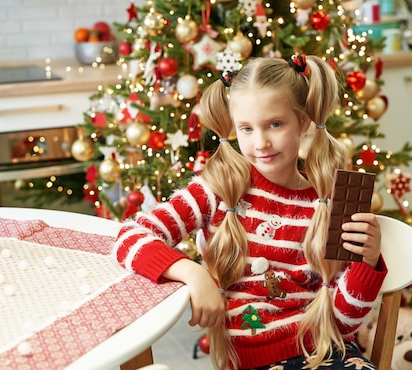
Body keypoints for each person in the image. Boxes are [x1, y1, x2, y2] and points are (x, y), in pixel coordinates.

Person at [113, 55, 387, 370]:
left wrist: (366, 262)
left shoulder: (326, 204)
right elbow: (129, 237)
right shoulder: (218, 191)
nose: (261, 143)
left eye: (275, 124)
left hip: (326, 351)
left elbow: (343, 326)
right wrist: (194, 274)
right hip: (254, 361)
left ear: (304, 121)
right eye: (246, 128)